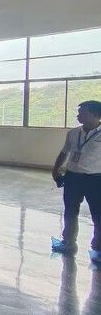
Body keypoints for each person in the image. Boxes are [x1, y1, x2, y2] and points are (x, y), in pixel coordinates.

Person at [51, 100, 101, 262]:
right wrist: (56, 169)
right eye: (79, 113)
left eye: (83, 113)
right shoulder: (73, 133)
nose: (78, 116)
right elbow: (64, 152)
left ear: (95, 115)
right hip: (73, 177)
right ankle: (68, 242)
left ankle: (98, 248)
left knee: (98, 214)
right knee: (70, 211)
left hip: (95, 179)